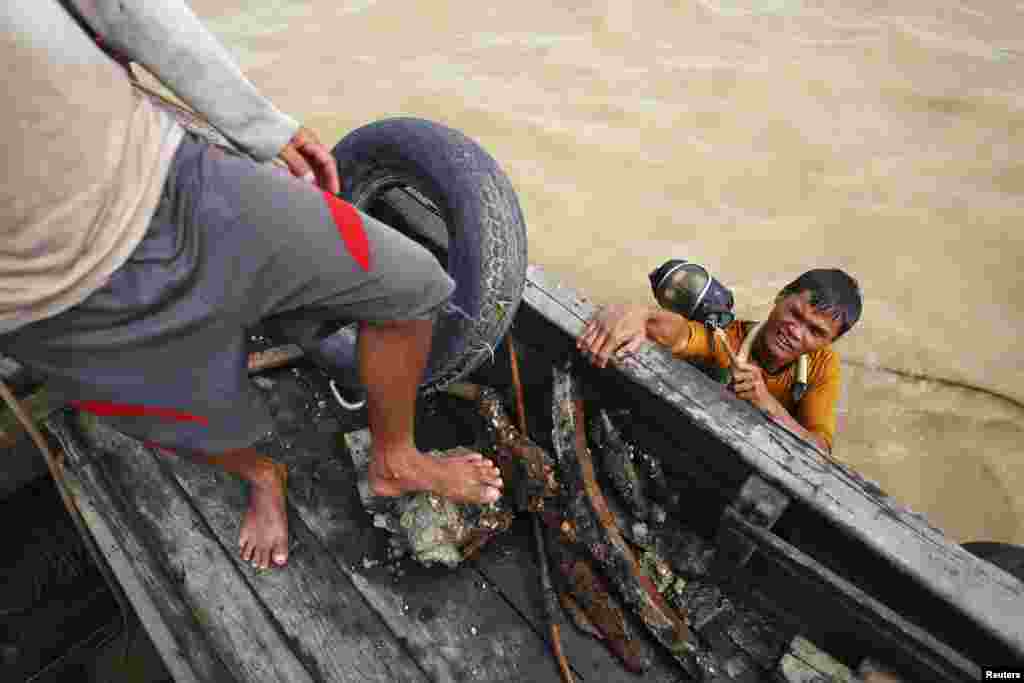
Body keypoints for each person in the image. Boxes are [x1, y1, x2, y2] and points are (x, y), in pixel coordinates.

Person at [0, 0, 502, 571]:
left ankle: (396, 457)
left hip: (171, 178)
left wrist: (257, 123)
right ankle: (263, 475)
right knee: (192, 421)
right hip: (46, 304)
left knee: (408, 287)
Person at [577, 268, 862, 455]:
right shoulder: (730, 338)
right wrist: (639, 313)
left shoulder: (822, 364)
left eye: (815, 332)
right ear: (780, 297)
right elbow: (682, 335)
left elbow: (821, 450)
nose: (796, 332)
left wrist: (766, 403)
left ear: (828, 342)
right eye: (795, 314)